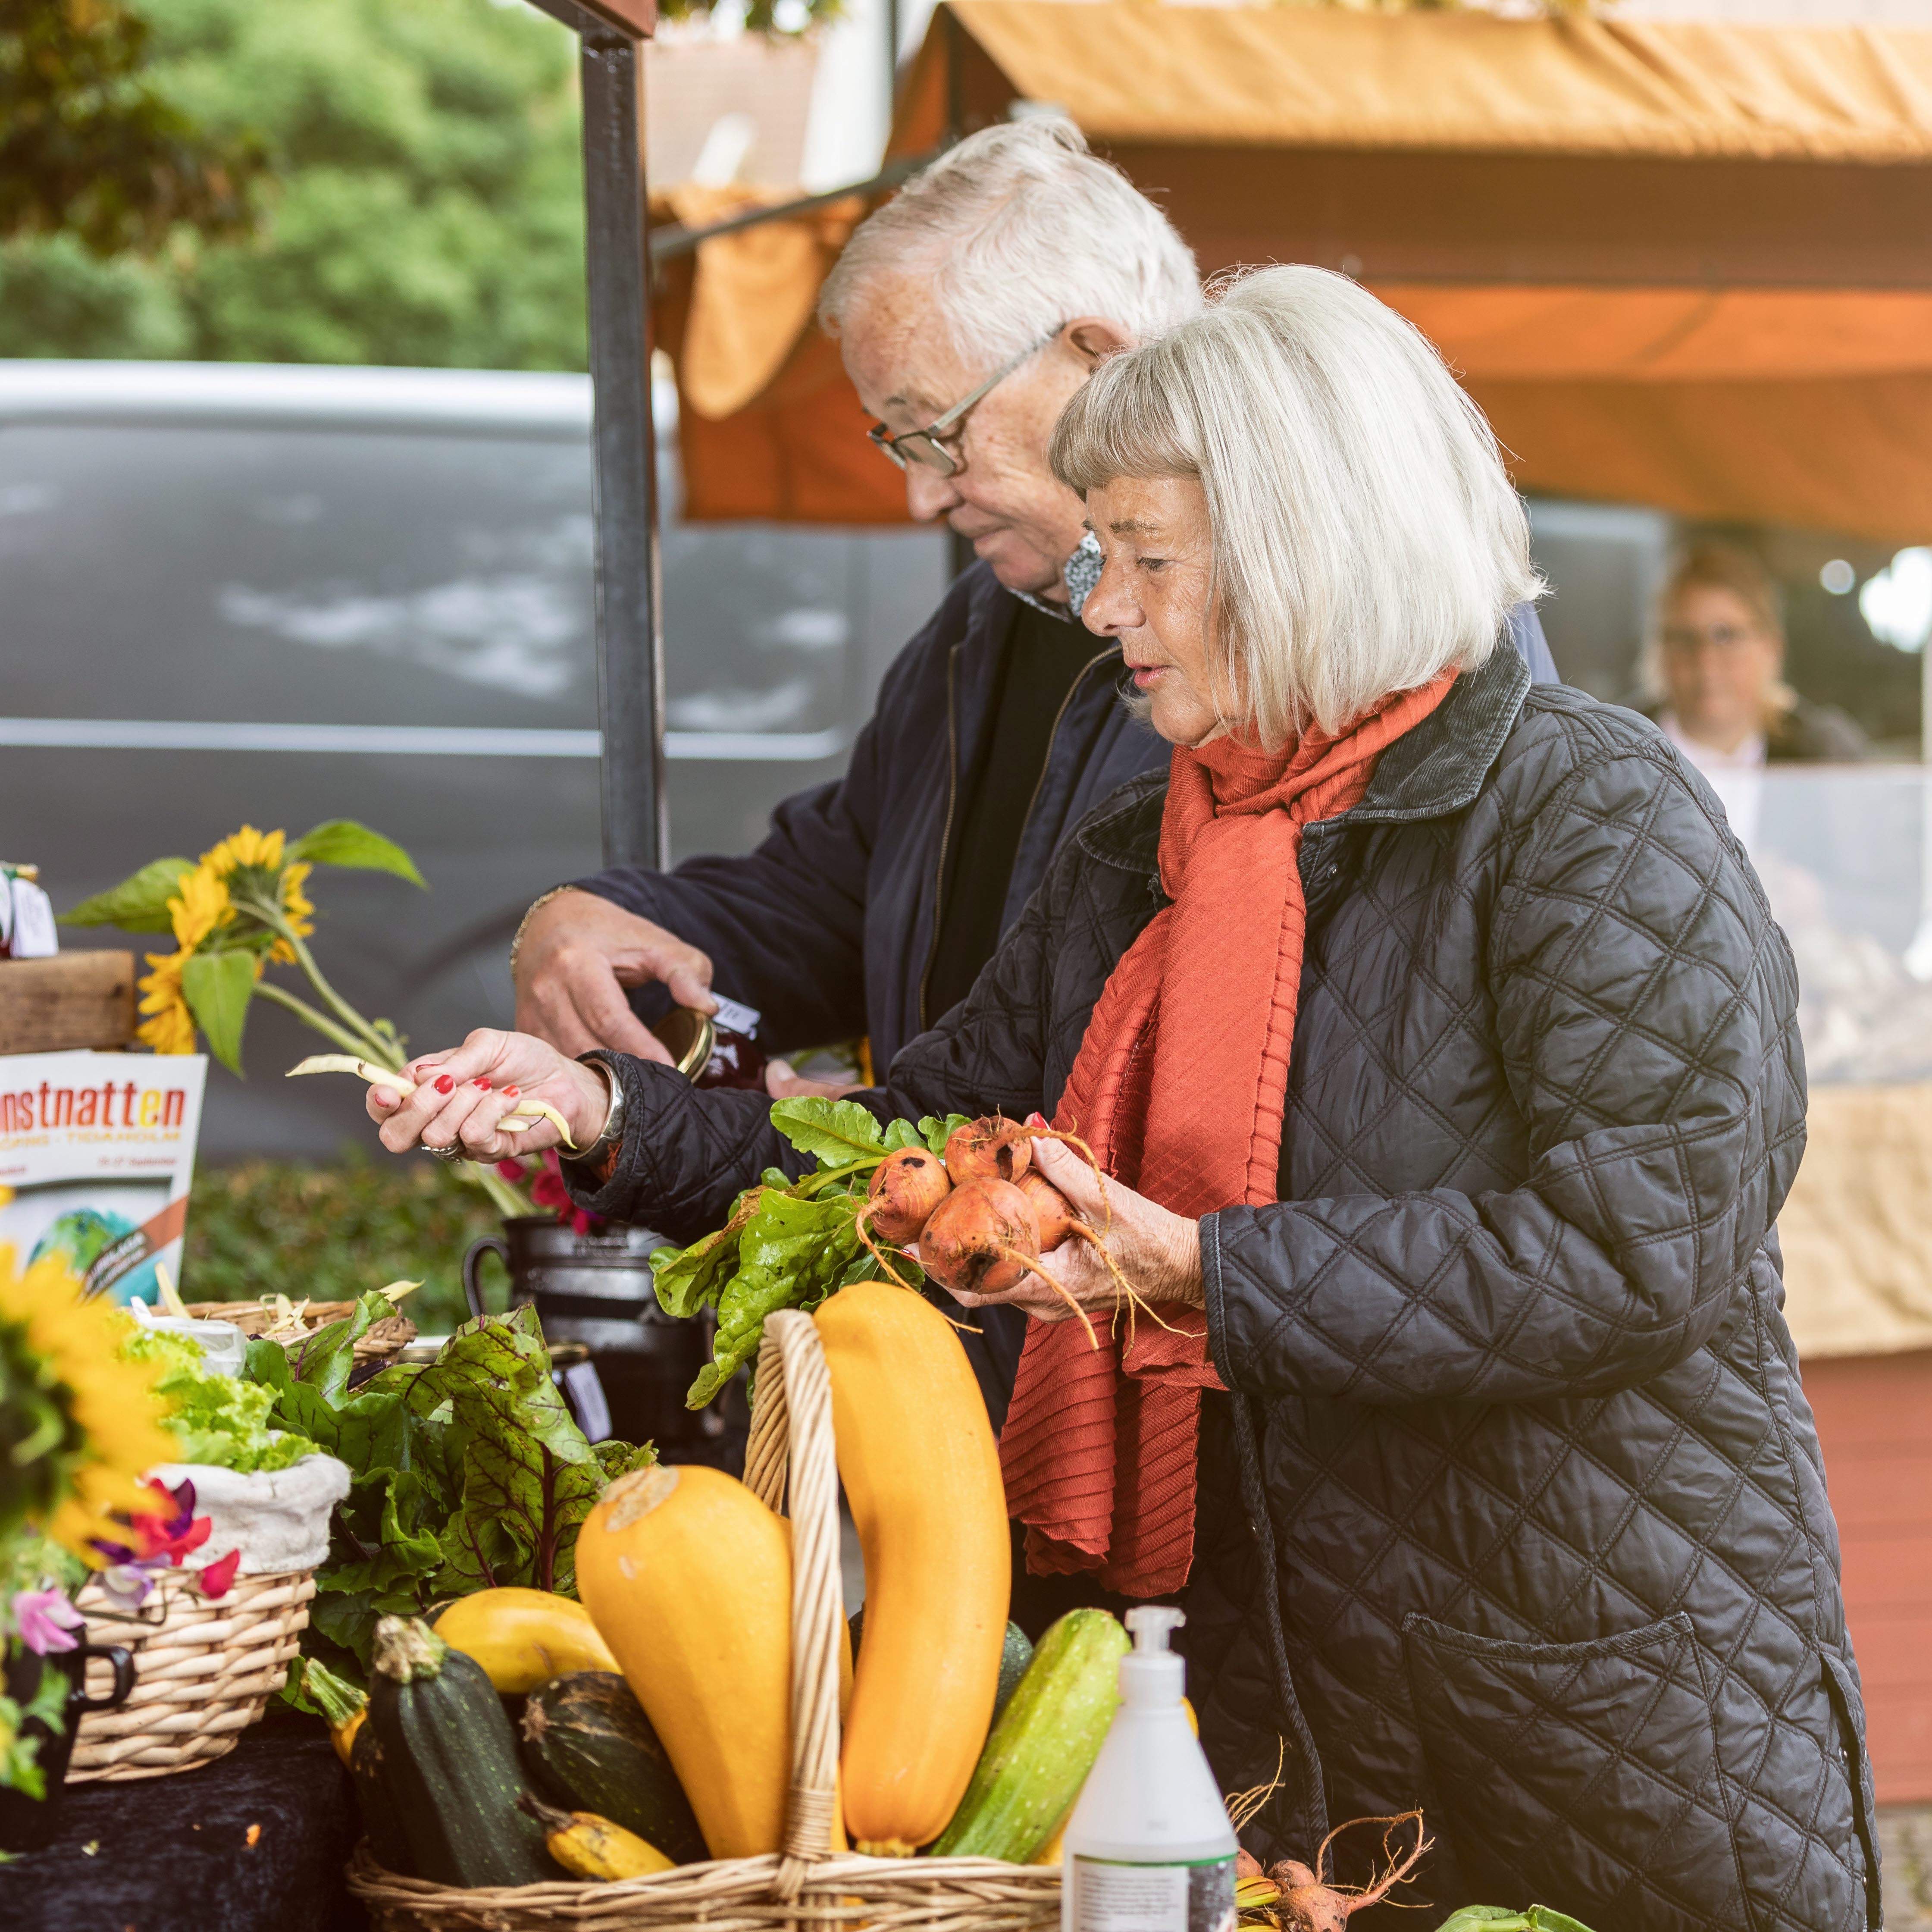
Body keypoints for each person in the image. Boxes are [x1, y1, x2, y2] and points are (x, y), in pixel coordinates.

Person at [373, 267, 1872, 1929]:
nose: (1099, 605)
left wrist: (1205, 1275)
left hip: (1596, 1705)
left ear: (1313, 538)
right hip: (1271, 1719)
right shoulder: (1143, 842)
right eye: (1097, 552)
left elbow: (1631, 1248)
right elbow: (913, 1138)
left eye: (1146, 558)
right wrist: (601, 1109)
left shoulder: (1587, 811)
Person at [512, 117, 1556, 1426]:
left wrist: (1201, 1270)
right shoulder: (972, 635)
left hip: (1259, 1411)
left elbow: (1516, 1196)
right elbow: (885, 983)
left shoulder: (1410, 673)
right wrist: (614, 934)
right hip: (1004, 1371)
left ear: (1092, 355)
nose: (919, 494)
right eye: (898, 442)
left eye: (931, 432)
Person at [1640, 541, 1867, 843]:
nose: (1705, 659)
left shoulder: (1823, 753)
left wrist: (1817, 887)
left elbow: (1873, 870)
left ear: (1771, 647)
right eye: (1685, 637)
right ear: (1660, 649)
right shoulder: (1616, 752)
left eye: (1725, 636)